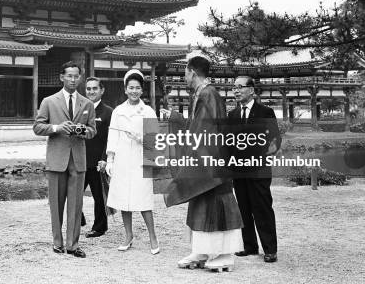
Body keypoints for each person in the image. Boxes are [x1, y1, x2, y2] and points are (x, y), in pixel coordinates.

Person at [165, 56, 243, 272]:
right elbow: (195, 127)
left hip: (212, 159)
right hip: (205, 156)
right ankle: (201, 249)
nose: (184, 77)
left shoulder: (209, 94)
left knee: (217, 203)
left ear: (192, 72)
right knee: (200, 201)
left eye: (185, 73)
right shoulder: (202, 93)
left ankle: (225, 254)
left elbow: (205, 131)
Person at [33, 61, 96, 258]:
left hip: (77, 159)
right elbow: (37, 127)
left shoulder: (86, 103)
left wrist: (83, 130)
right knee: (56, 204)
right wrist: (57, 128)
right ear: (62, 77)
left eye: (76, 76)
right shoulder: (49, 101)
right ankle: (57, 242)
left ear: (80, 78)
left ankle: (73, 245)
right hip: (57, 158)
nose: (72, 79)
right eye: (69, 75)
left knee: (76, 205)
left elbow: (93, 130)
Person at [105, 69, 160, 254]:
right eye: (131, 88)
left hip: (140, 159)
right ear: (125, 89)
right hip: (122, 159)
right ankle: (128, 235)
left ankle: (153, 237)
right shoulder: (118, 111)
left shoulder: (148, 111)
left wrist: (140, 137)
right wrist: (110, 159)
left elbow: (155, 141)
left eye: (137, 88)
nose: (134, 91)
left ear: (142, 90)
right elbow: (112, 135)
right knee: (123, 200)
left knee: (143, 200)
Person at [227, 76, 281, 263]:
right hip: (239, 170)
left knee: (262, 207)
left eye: (240, 87)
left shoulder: (266, 112)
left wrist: (271, 148)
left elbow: (275, 138)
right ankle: (249, 246)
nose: (236, 90)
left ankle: (270, 249)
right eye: (234, 87)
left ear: (251, 90)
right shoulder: (232, 116)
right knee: (243, 208)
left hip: (259, 169)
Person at [81, 77, 113, 238]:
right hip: (80, 160)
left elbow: (110, 139)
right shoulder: (80, 109)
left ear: (102, 90)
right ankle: (78, 220)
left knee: (99, 197)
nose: (91, 91)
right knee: (72, 193)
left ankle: (100, 227)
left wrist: (105, 159)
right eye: (88, 89)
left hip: (97, 162)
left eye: (94, 88)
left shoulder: (108, 112)